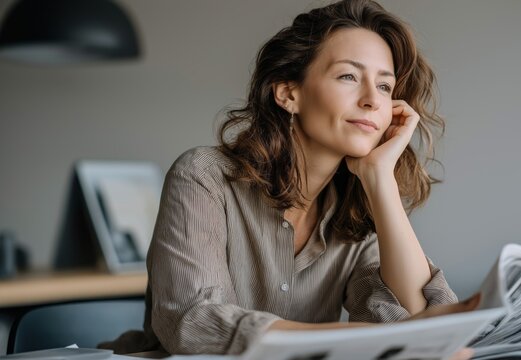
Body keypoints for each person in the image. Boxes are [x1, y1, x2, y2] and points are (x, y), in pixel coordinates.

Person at [102, 0, 479, 358]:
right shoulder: (205, 177)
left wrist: (380, 180)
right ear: (288, 93)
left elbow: (422, 322)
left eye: (384, 86)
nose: (372, 101)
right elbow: (193, 323)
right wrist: (376, 338)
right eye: (349, 76)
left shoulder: (356, 208)